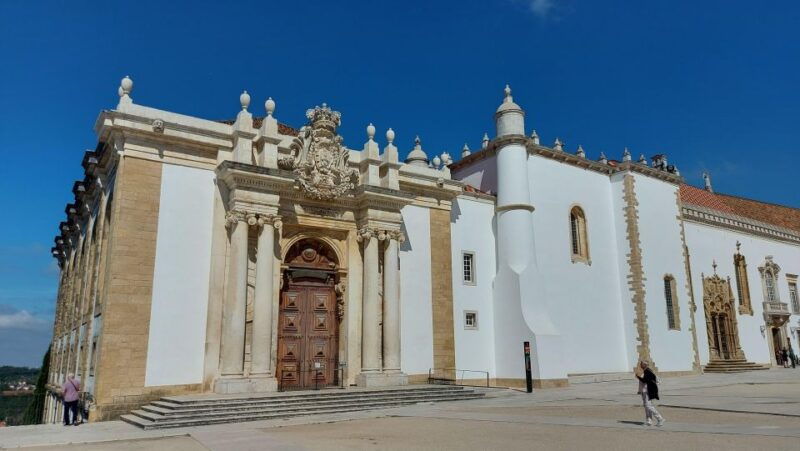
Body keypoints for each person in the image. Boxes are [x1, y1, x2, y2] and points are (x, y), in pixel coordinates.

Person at [635, 360, 664, 427]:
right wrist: (640, 390)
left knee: (648, 406)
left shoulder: (648, 371)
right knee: (646, 406)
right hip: (644, 391)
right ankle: (649, 420)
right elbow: (642, 383)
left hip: (647, 391)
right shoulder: (645, 371)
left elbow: (644, 381)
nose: (640, 365)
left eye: (641, 364)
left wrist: (638, 377)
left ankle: (660, 418)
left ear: (645, 365)